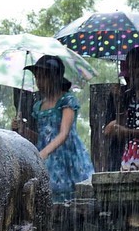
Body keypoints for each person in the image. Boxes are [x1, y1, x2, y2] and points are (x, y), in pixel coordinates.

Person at [17, 54, 95, 204]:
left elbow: (64, 133)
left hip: (67, 158)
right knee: (47, 197)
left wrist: (44, 153)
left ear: (55, 78)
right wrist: (23, 130)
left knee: (73, 199)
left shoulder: (67, 101)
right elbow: (42, 137)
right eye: (37, 78)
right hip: (46, 159)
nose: (39, 82)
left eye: (43, 77)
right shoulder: (38, 106)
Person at [103, 45, 139, 171]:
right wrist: (119, 103)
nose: (134, 71)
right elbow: (120, 125)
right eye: (131, 67)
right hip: (128, 160)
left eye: (138, 66)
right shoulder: (128, 95)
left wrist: (129, 133)